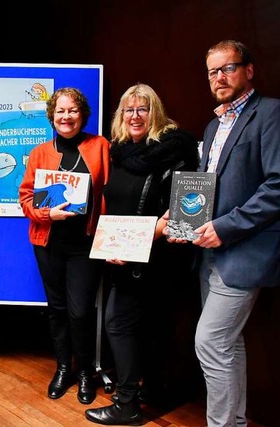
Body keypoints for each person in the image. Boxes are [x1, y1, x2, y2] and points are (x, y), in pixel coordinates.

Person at [166, 40, 280, 427]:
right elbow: (207, 186)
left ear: (249, 71)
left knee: (209, 341)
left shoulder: (275, 113)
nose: (219, 77)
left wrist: (223, 228)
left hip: (245, 250)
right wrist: (181, 219)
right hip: (207, 251)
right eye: (212, 71)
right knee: (227, 343)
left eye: (228, 68)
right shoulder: (214, 125)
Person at [84, 84, 199, 425]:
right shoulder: (119, 151)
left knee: (119, 324)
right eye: (129, 110)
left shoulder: (177, 149)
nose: (135, 116)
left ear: (155, 113)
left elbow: (187, 217)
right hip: (124, 257)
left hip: (161, 259)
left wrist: (144, 237)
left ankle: (128, 403)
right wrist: (113, 244)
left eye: (143, 109)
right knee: (140, 326)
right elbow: (115, 206)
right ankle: (149, 391)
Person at [19, 87, 110, 405]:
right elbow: (26, 199)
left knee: (80, 311)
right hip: (48, 242)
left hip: (85, 243)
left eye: (72, 110)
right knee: (56, 310)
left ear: (82, 114)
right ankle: (62, 368)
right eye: (60, 111)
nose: (66, 116)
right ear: (51, 116)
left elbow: (110, 193)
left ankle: (85, 371)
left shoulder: (100, 147)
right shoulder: (39, 152)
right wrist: (48, 213)